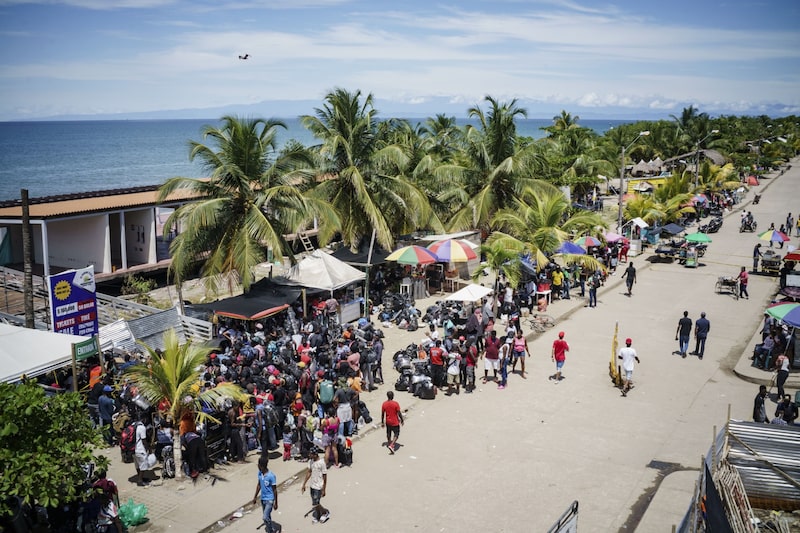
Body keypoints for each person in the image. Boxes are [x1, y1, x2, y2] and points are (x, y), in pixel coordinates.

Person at [301, 448, 330, 524]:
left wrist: (324, 489)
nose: (309, 455)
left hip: (319, 486)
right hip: (312, 485)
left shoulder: (321, 463)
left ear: (315, 454)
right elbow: (309, 472)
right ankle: (317, 515)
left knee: (316, 502)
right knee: (314, 502)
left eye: (311, 454)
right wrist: (304, 484)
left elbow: (325, 476)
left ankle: (324, 512)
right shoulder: (311, 462)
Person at [252, 455, 278, 533]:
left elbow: (275, 490)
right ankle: (270, 530)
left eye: (258, 465)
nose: (258, 467)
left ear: (261, 466)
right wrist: (255, 497)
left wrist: (276, 502)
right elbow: (259, 485)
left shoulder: (271, 476)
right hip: (263, 499)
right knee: (268, 517)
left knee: (265, 517)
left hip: (270, 499)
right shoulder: (260, 474)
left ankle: (271, 530)